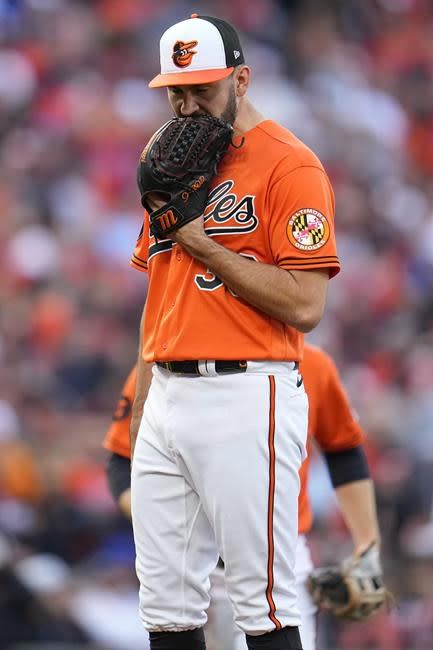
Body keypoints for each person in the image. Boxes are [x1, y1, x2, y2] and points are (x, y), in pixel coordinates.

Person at [130, 13, 340, 650]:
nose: (188, 105)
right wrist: (143, 406)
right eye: (177, 91)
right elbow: (159, 290)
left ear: (241, 80)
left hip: (248, 393)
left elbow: (306, 305)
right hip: (167, 392)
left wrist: (203, 244)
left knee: (262, 602)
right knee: (165, 605)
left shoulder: (290, 166)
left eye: (203, 89)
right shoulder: (171, 162)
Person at [104, 344, 380, 650]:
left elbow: (343, 450)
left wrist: (367, 545)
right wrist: (156, 518)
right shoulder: (168, 362)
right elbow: (121, 460)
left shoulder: (310, 362)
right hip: (195, 563)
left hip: (279, 555)